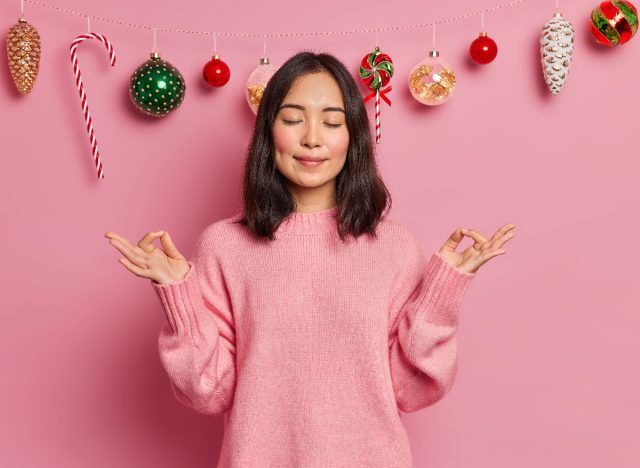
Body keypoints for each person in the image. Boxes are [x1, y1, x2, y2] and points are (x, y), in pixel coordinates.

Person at [105, 51, 514, 467]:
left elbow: (412, 389)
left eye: (332, 122)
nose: (312, 138)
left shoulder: (394, 248)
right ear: (268, 132)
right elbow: (209, 392)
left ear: (353, 136)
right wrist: (181, 299)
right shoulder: (224, 246)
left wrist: (440, 294)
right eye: (293, 118)